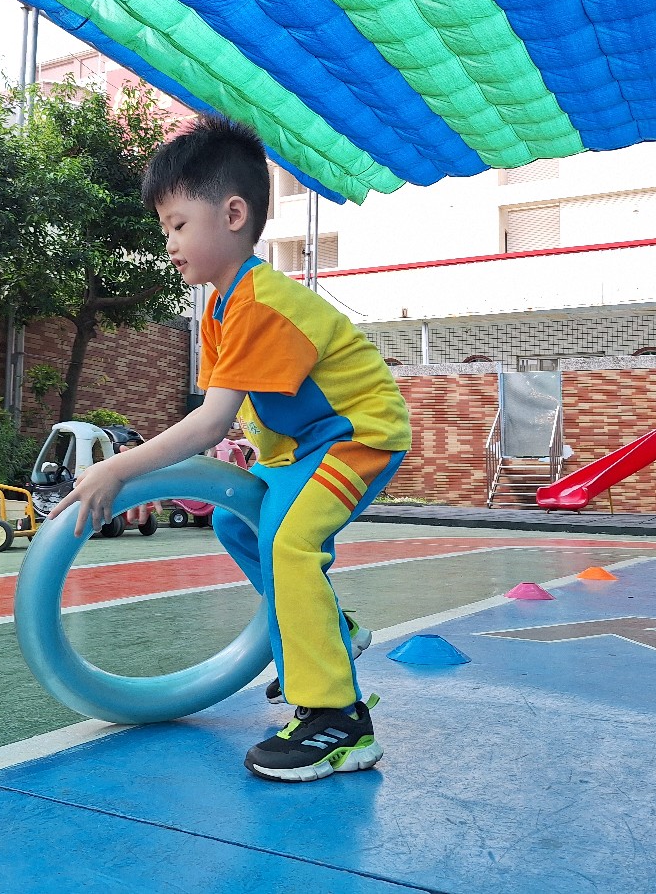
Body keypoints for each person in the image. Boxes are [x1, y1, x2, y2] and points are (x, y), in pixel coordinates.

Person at [49, 113, 411, 782]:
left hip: (357, 435)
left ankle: (338, 720)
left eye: (178, 225)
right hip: (306, 445)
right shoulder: (219, 308)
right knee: (235, 523)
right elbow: (233, 410)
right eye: (164, 230)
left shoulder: (259, 302)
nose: (168, 243)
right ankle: (331, 632)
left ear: (233, 214)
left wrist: (116, 468)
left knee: (289, 541)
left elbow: (210, 423)